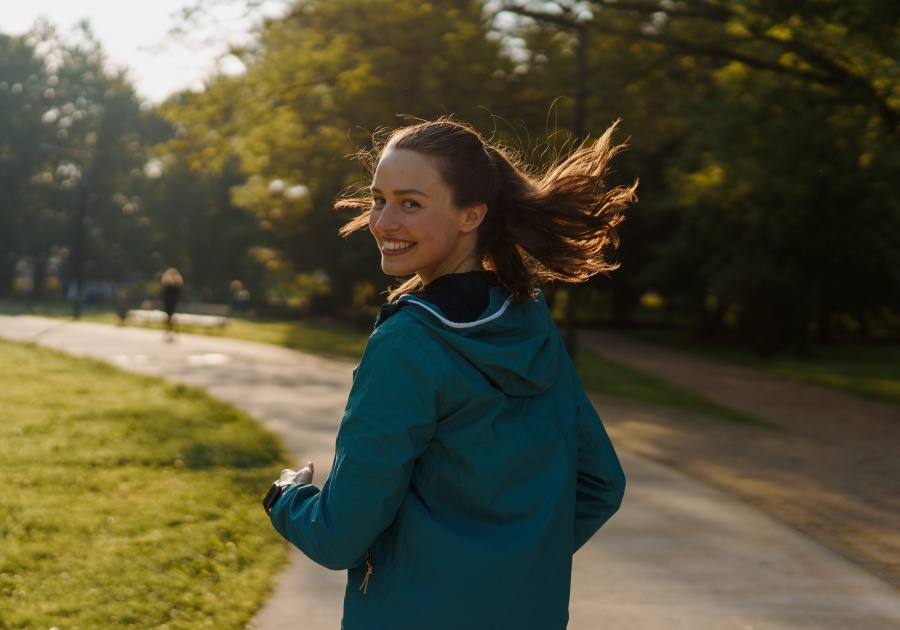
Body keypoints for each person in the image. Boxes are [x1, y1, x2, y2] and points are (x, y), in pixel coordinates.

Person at [264, 119, 636, 629]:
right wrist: (503, 567)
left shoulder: (406, 345)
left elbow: (338, 536)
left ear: (472, 215)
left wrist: (285, 497)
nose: (382, 221)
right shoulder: (529, 320)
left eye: (410, 203)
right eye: (378, 199)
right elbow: (600, 484)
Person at [160, 267, 183, 333]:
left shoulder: (176, 283)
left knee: (171, 316)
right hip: (169, 302)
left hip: (172, 302)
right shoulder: (167, 283)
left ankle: (171, 328)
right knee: (169, 315)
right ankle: (170, 328)